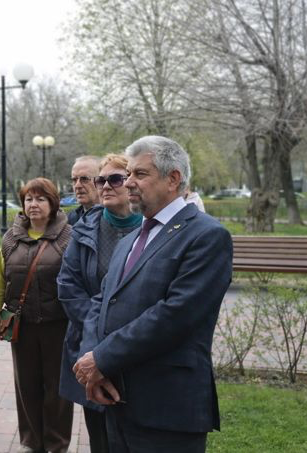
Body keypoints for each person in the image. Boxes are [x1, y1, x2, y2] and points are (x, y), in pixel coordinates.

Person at [75, 136, 233, 453]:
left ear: (173, 178)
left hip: (166, 410)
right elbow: (101, 302)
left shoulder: (206, 236)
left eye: (140, 174)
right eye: (129, 173)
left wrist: (103, 359)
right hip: (116, 398)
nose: (129, 182)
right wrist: (93, 358)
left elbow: (175, 315)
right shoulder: (132, 238)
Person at [57, 154, 142, 453]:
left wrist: (123, 335)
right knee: (100, 439)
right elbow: (68, 288)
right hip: (90, 346)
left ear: (131, 182)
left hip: (138, 348)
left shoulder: (150, 229)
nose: (106, 186)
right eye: (101, 180)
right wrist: (101, 330)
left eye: (115, 179)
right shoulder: (82, 230)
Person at [0, 178, 73, 453]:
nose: (34, 205)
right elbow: (0, 279)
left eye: (40, 199)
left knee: (57, 389)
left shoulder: (68, 237)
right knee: (27, 386)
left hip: (57, 325)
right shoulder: (11, 238)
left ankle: (56, 444)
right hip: (21, 326)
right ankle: (32, 442)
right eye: (29, 199)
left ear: (53, 203)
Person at [67, 156, 101, 226]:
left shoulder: (116, 219)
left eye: (84, 179)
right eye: (74, 180)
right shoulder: (69, 221)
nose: (77, 186)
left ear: (101, 181)